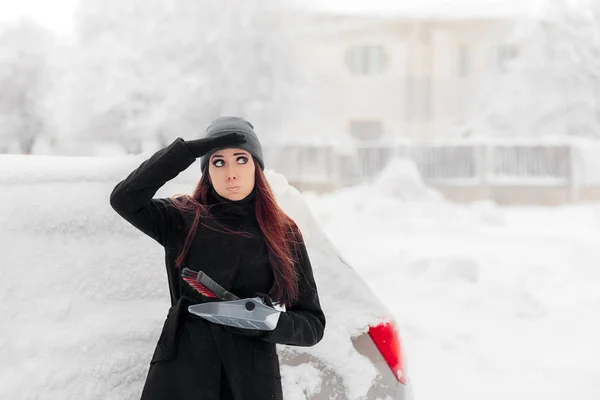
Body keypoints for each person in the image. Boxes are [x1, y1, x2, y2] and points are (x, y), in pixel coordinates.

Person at [109, 116, 326, 400]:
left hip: (250, 381)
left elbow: (312, 323)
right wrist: (185, 151)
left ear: (257, 166)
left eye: (241, 159)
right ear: (207, 170)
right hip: (180, 377)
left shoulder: (282, 233)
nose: (231, 173)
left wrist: (269, 321)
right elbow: (124, 199)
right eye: (218, 162)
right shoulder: (181, 218)